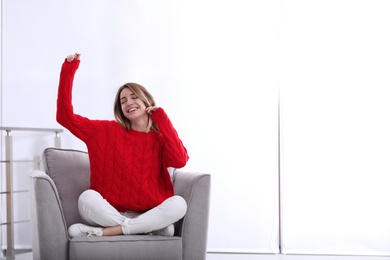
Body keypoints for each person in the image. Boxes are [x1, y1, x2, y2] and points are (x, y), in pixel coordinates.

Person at [57, 53, 189, 238]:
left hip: (147, 213)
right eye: (123, 100)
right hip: (108, 214)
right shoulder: (104, 131)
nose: (129, 103)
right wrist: (68, 71)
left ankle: (110, 232)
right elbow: (65, 117)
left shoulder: (160, 139)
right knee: (87, 198)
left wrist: (162, 120)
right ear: (120, 109)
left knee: (179, 204)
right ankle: (142, 229)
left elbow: (180, 160)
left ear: (146, 101)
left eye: (134, 97)